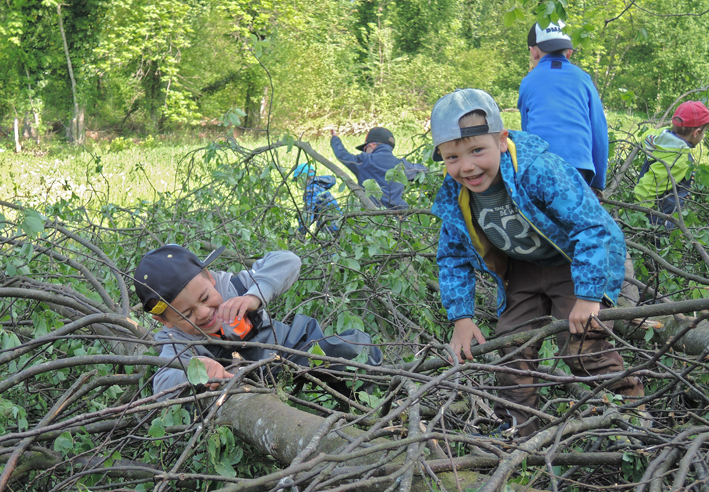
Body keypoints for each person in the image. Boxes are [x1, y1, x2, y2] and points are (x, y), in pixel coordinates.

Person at [430, 89, 643, 437]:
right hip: (525, 269)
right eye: (452, 157)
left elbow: (593, 228)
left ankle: (633, 419)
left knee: (581, 345)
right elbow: (452, 256)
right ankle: (520, 431)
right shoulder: (456, 196)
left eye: (477, 150)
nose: (466, 166)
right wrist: (461, 318)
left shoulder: (538, 170)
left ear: (502, 140)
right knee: (509, 347)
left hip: (574, 261)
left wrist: (588, 296)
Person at [134, 244, 382, 398]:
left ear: (210, 278)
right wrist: (194, 370)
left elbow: (289, 261)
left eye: (205, 298)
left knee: (355, 349)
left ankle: (362, 407)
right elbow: (162, 386)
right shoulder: (176, 340)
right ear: (164, 320)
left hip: (288, 348)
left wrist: (254, 296)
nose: (202, 313)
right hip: (246, 384)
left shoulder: (235, 286)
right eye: (186, 314)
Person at [518, 20, 608, 197]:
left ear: (533, 52)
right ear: (569, 53)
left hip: (540, 166)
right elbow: (599, 131)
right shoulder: (583, 79)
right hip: (579, 167)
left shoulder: (528, 82)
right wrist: (598, 184)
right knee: (573, 211)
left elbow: (526, 134)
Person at [633, 101, 709, 230]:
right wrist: (637, 216)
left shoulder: (659, 136)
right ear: (696, 132)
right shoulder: (679, 158)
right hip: (659, 221)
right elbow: (648, 187)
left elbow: (647, 134)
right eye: (704, 132)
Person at [330, 127, 427, 209]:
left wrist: (335, 139)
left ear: (372, 146)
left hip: (373, 218)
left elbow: (343, 155)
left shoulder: (365, 161)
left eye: (365, 148)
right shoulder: (402, 165)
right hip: (400, 217)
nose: (364, 152)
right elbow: (423, 170)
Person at [292, 163, 341, 235]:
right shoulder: (319, 186)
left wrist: (301, 231)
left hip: (329, 226)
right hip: (339, 222)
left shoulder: (310, 190)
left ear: (303, 177)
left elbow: (308, 214)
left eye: (298, 180)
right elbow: (315, 211)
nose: (299, 184)